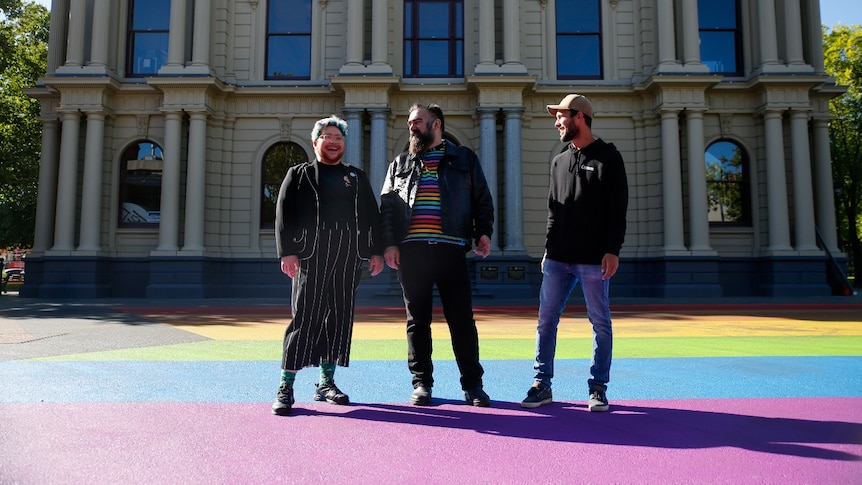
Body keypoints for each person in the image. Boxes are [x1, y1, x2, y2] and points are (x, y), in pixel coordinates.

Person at [380, 103, 495, 407]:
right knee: (417, 321)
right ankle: (421, 384)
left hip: (451, 250)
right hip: (412, 253)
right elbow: (388, 208)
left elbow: (482, 198)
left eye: (417, 121)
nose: (412, 127)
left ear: (437, 124)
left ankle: (473, 385)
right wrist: (389, 244)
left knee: (461, 321)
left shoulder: (463, 159)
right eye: (409, 122)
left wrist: (484, 232)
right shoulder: (400, 163)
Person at [521, 94, 628, 412]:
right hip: (557, 259)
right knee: (545, 321)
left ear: (580, 117)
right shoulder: (559, 161)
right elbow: (553, 211)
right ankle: (542, 384)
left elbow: (617, 209)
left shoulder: (609, 157)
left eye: (561, 116)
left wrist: (612, 250)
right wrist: (547, 250)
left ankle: (598, 387)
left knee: (600, 323)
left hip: (594, 259)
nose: (556, 122)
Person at [271, 115, 384, 416]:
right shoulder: (299, 174)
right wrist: (287, 252)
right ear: (315, 141)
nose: (333, 142)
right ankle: (286, 386)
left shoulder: (356, 177)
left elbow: (372, 215)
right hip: (310, 254)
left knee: (338, 318)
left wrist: (375, 251)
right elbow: (284, 214)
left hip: (348, 255)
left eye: (339, 137)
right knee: (305, 317)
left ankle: (326, 383)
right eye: (328, 136)